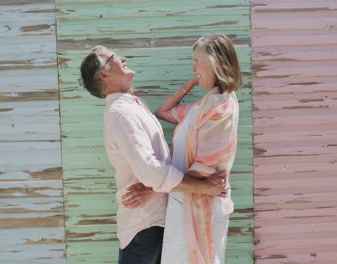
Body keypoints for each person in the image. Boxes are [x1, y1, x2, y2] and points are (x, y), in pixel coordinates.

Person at [79, 45, 229, 264]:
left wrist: (152, 186)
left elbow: (154, 171)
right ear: (104, 74)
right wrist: (206, 187)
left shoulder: (132, 106)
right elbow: (152, 172)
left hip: (157, 223)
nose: (123, 56)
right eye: (113, 57)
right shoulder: (121, 113)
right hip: (145, 226)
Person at [123, 33, 241, 263]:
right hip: (185, 201)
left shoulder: (221, 108)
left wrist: (153, 188)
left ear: (215, 62)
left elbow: (203, 170)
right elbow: (163, 112)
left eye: (197, 62)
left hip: (201, 207)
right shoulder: (204, 106)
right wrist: (191, 84)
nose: (193, 69)